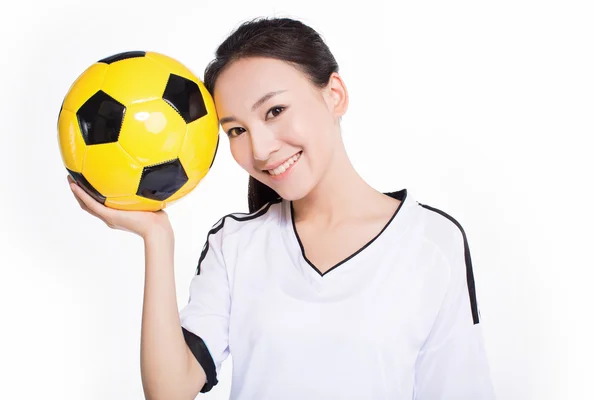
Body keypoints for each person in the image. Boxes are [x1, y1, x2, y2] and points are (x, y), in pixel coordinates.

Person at [68, 16, 496, 400]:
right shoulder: (235, 243)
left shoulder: (431, 242)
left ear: (335, 95)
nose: (260, 149)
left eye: (275, 110)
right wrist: (157, 237)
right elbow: (170, 392)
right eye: (236, 129)